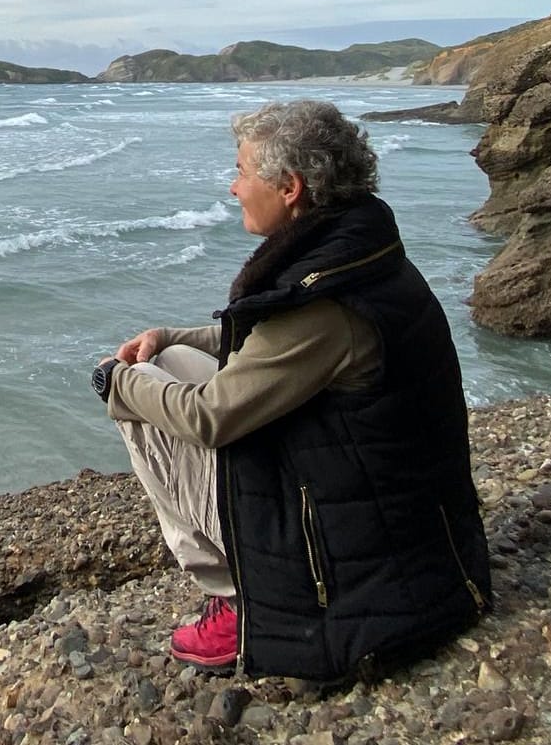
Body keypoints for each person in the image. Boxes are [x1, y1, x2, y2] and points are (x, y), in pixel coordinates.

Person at [90, 99, 491, 678]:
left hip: (355, 553)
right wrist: (175, 336)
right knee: (173, 357)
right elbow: (277, 349)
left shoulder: (327, 305)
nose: (233, 188)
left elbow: (211, 418)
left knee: (144, 397)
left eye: (243, 172)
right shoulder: (359, 256)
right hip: (380, 502)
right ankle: (236, 584)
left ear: (290, 188)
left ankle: (235, 599)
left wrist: (115, 383)